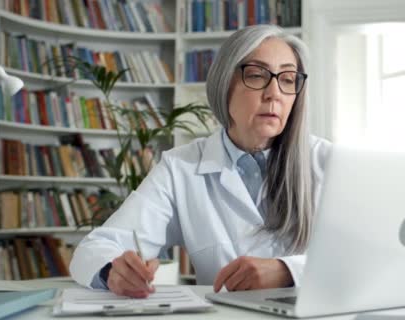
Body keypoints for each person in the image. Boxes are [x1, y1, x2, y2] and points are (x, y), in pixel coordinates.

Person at [69, 25, 331, 298]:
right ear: (223, 84)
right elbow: (96, 247)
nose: (274, 93)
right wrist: (113, 271)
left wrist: (288, 271)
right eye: (256, 75)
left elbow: (372, 258)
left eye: (288, 79)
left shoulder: (328, 162)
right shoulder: (179, 167)